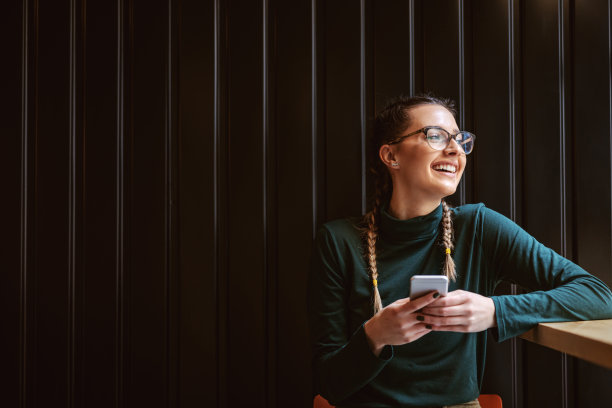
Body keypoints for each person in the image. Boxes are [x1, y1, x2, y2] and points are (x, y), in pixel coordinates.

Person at [307, 94, 612, 408]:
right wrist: (375, 336)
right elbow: (329, 384)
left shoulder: (480, 227)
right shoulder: (337, 240)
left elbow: (597, 294)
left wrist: (494, 311)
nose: (455, 149)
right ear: (391, 155)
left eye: (460, 139)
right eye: (436, 136)